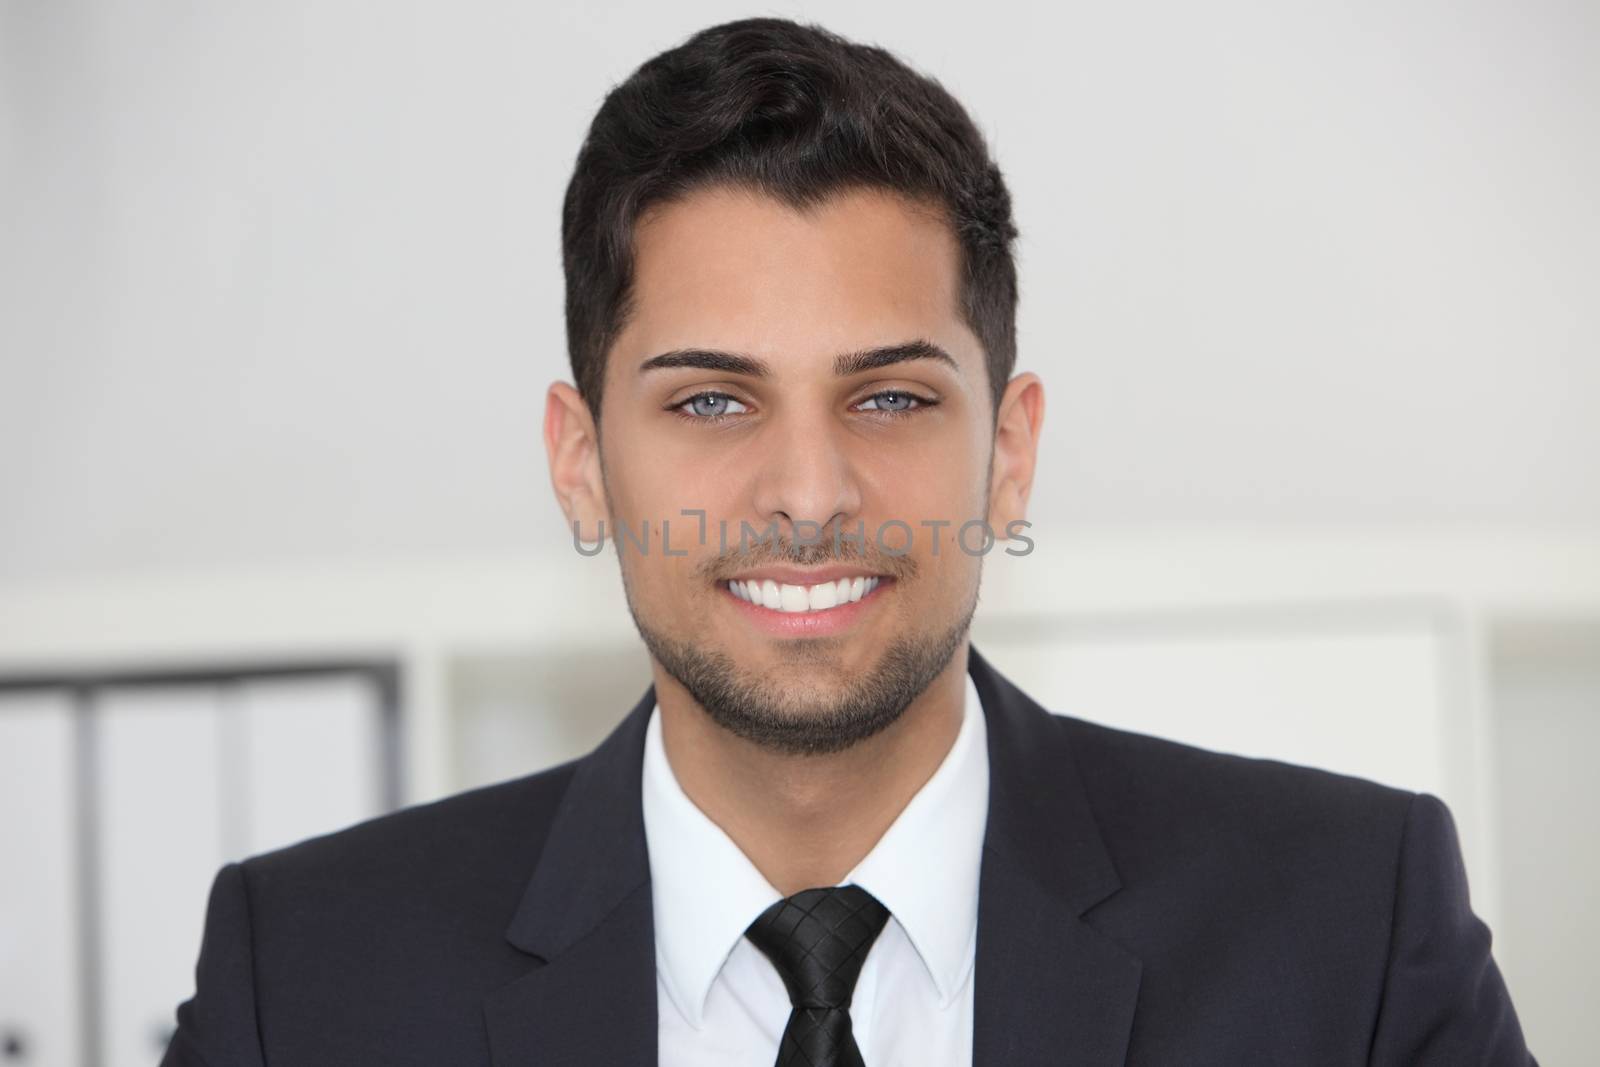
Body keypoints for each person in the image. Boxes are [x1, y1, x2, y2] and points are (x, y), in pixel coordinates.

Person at [161, 16, 1535, 1065]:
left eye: (889, 397)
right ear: (582, 466)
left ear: (1009, 453)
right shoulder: (310, 985)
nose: (809, 493)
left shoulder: (1350, 933)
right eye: (711, 399)